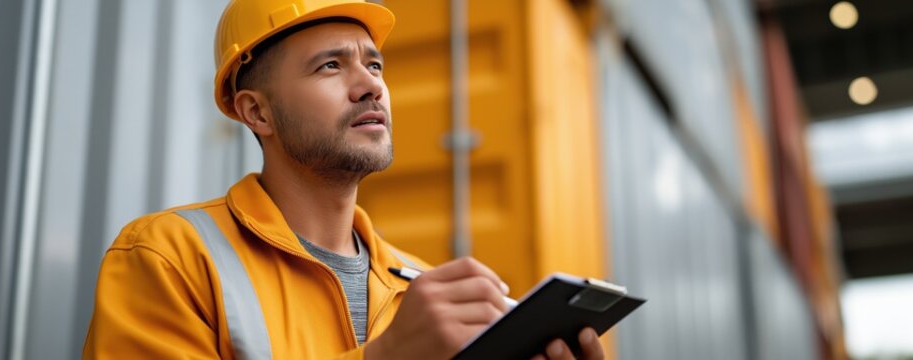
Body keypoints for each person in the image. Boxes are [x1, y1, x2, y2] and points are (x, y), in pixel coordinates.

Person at [83, 0, 605, 359]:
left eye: (375, 65)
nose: (369, 87)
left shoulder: (420, 289)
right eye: (330, 66)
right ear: (257, 113)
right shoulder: (169, 258)